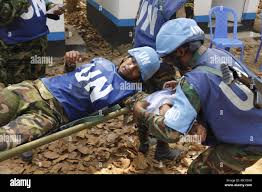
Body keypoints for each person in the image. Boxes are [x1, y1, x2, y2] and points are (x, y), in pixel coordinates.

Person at [134, 18, 262, 174]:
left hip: (251, 140)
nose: (167, 63)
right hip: (254, 122)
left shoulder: (193, 81)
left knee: (199, 170)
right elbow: (227, 84)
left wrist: (142, 114)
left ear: (180, 52)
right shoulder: (220, 54)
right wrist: (185, 85)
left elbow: (171, 132)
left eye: (166, 58)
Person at [0, 46, 160, 152]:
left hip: (50, 115)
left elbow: (147, 102)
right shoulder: (102, 62)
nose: (130, 67)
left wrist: (169, 94)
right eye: (133, 61)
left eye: (137, 70)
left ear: (140, 78)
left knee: (4, 141)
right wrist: (69, 64)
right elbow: (72, 77)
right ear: (127, 57)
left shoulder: (130, 91)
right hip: (33, 89)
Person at [133, 0, 194, 160]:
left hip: (140, 57)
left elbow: (137, 20)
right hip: (162, 61)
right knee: (164, 102)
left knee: (145, 100)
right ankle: (162, 149)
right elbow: (184, 37)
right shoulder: (179, 3)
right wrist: (186, 74)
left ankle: (144, 142)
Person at [0, 0, 64, 86]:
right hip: (16, 52)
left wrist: (51, 7)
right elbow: (4, 13)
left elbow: (38, 2)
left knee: (39, 85)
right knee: (15, 91)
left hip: (39, 47)